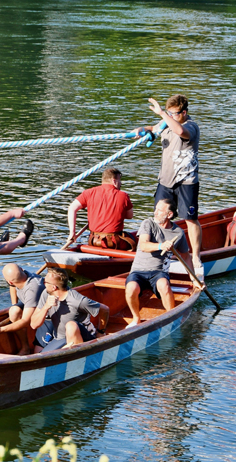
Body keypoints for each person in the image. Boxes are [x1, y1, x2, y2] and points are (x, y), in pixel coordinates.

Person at [134, 94, 203, 269]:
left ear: (184, 113)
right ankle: (157, 253)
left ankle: (195, 257)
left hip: (186, 181)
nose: (171, 117)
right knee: (159, 217)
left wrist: (163, 114)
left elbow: (180, 131)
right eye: (169, 113)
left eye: (174, 114)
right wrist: (142, 130)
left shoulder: (191, 126)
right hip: (165, 181)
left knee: (190, 219)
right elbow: (154, 128)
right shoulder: (166, 122)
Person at [124, 198, 200, 328]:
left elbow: (186, 257)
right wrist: (161, 246)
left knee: (164, 285)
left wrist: (194, 280)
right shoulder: (148, 223)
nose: (155, 212)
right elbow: (143, 245)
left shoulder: (178, 233)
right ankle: (136, 319)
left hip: (158, 272)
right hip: (138, 271)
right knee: (131, 288)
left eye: (159, 210)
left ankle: (171, 319)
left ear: (169, 215)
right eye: (156, 209)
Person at [30, 268, 109, 353]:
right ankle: (66, 350)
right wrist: (46, 307)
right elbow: (33, 325)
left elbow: (104, 309)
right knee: (42, 356)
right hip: (60, 338)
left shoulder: (77, 300)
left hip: (83, 337)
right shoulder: (46, 293)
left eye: (45, 282)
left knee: (71, 325)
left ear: (54, 287)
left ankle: (78, 356)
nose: (43, 284)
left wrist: (100, 332)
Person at [66, 167, 135, 250]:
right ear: (114, 181)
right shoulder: (123, 195)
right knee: (138, 237)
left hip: (93, 241)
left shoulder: (89, 192)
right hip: (114, 243)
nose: (120, 183)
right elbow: (130, 216)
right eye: (119, 180)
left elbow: (72, 209)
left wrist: (72, 233)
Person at [0, 263, 45, 355]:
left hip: (47, 312)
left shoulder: (32, 289)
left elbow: (26, 321)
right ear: (21, 268)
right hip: (30, 302)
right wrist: (14, 305)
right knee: (14, 311)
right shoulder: (23, 274)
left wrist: (1, 329)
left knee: (39, 351)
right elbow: (12, 286)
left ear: (9, 281)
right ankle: (25, 348)